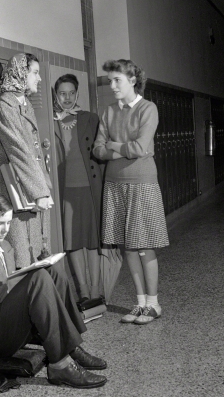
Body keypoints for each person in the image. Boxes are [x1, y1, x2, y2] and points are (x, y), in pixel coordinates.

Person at [0, 191, 107, 389]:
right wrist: (5, 287)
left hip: (6, 323)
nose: (5, 229)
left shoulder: (5, 246)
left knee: (51, 270)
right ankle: (60, 365)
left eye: (8, 222)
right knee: (38, 278)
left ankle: (71, 347)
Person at [93, 59, 169, 325]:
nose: (112, 85)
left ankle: (154, 303)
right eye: (110, 81)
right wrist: (122, 148)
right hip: (114, 183)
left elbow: (140, 147)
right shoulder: (109, 111)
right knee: (128, 246)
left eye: (117, 80)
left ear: (132, 81)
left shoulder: (148, 109)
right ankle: (139, 303)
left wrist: (114, 146)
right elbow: (98, 150)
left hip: (142, 182)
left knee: (143, 245)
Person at [0, 53, 53, 268]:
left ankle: (37, 296)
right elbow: (19, 151)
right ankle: (23, 298)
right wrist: (40, 192)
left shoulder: (24, 105)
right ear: (20, 74)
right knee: (19, 253)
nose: (39, 78)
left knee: (35, 248)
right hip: (12, 188)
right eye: (35, 72)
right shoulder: (3, 108)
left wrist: (42, 188)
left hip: (27, 184)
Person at [53, 74, 103, 302]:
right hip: (65, 192)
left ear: (77, 94)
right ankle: (82, 291)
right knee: (72, 242)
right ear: (56, 95)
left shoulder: (90, 118)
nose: (67, 98)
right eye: (62, 93)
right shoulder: (49, 122)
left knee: (92, 241)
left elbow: (103, 152)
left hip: (89, 188)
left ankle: (96, 290)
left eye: (71, 93)